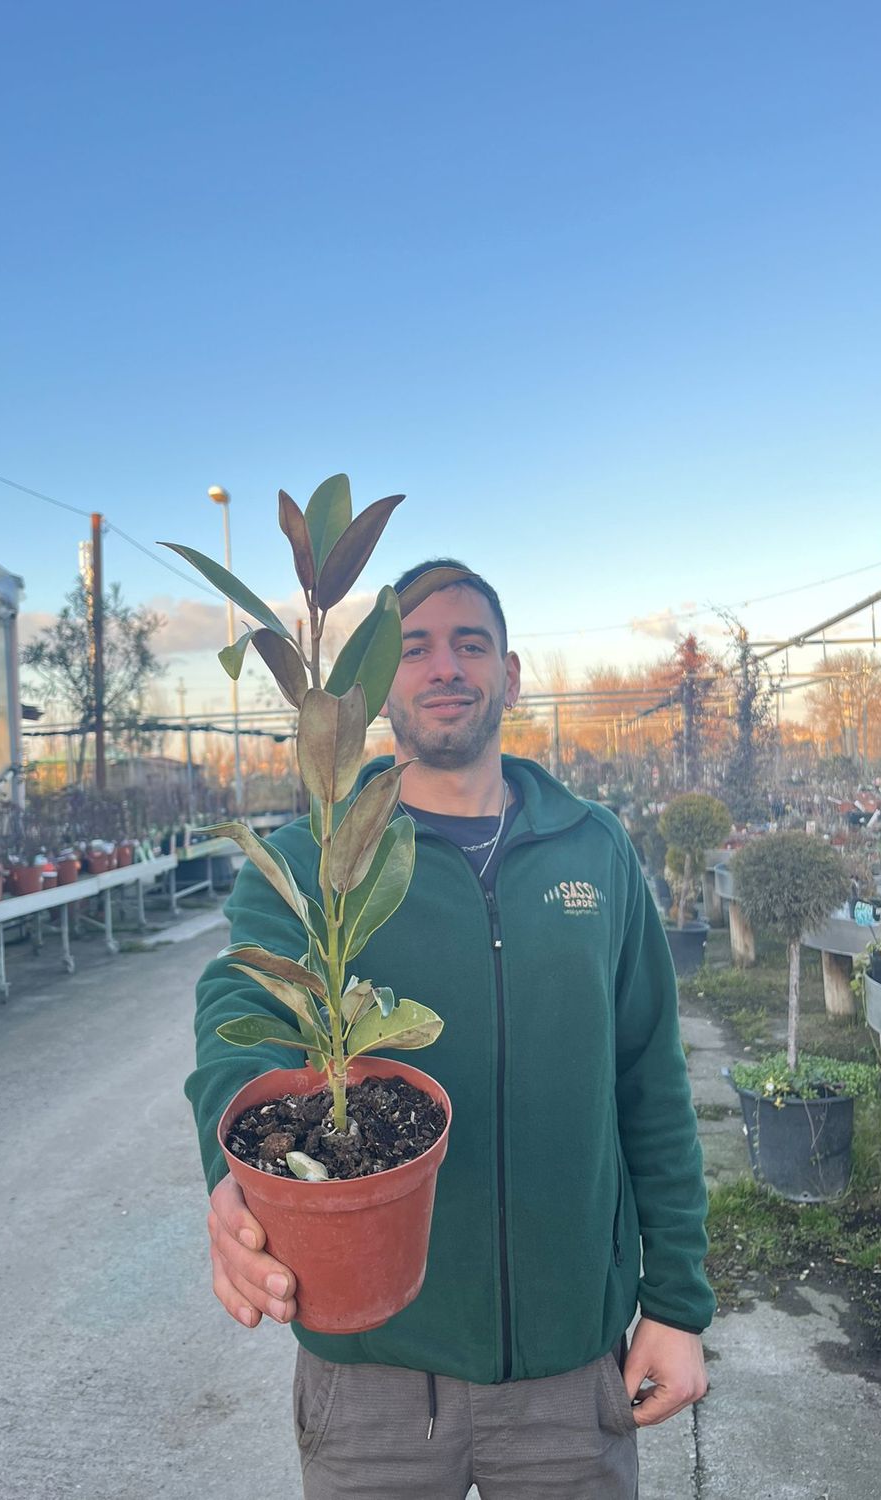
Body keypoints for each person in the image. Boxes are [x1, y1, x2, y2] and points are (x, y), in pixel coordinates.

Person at [186, 560, 714, 1499]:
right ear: (378, 687)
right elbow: (240, 1019)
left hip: (568, 1372)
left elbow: (649, 1080)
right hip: (373, 1377)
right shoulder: (317, 856)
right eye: (414, 648)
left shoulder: (593, 847)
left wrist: (673, 1304)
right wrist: (235, 1173)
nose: (444, 668)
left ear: (509, 676)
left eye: (470, 644)